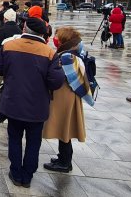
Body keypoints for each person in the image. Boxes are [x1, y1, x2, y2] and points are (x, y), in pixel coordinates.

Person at [0, 16, 64, 188]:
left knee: (14, 139)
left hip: (13, 103)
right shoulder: (49, 52)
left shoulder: (8, 46)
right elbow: (56, 82)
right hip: (37, 107)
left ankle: (16, 174)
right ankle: (27, 176)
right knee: (34, 142)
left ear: (25, 30)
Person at [43, 27, 94, 173]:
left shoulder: (67, 57)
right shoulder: (74, 52)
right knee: (64, 128)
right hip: (68, 96)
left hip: (65, 96)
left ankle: (65, 162)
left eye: (58, 37)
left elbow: (61, 77)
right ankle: (62, 158)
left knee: (64, 128)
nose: (56, 39)